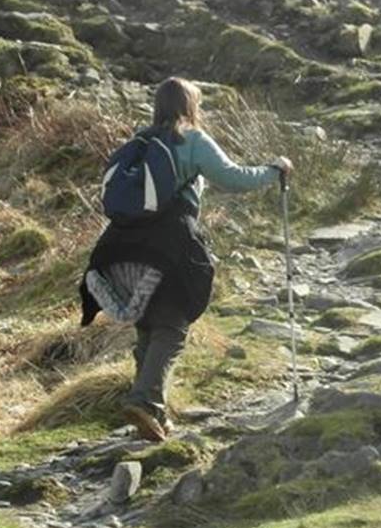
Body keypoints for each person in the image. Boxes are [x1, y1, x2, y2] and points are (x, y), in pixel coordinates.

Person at [78, 77, 293, 442]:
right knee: (171, 326)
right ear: (189, 105)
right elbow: (233, 178)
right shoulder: (190, 138)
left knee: (147, 324)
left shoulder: (140, 141)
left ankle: (151, 415)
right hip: (169, 244)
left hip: (119, 245)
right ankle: (144, 401)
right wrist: (274, 170)